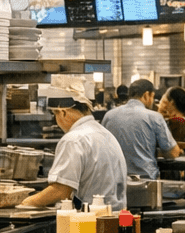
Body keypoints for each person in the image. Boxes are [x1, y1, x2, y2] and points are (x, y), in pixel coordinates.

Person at [21, 79, 128, 209]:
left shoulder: (73, 140)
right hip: (115, 216)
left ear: (63, 112)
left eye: (55, 114)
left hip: (89, 218)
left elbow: (60, 191)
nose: (56, 121)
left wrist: (26, 202)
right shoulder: (106, 134)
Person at [104, 79, 182, 179]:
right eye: (152, 96)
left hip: (115, 179)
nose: (153, 101)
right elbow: (172, 153)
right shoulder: (154, 117)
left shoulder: (109, 116)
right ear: (146, 95)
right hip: (146, 179)